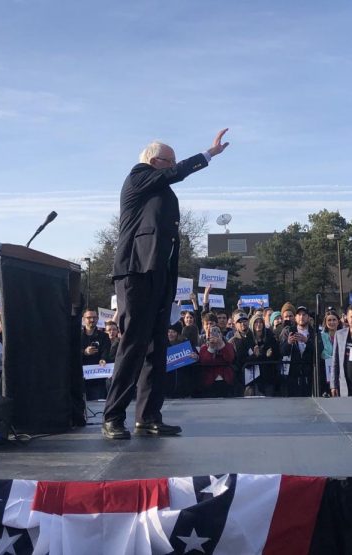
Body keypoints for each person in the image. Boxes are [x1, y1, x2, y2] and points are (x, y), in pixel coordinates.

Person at [103, 129, 230, 440]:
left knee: (156, 347)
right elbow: (174, 174)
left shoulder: (156, 188)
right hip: (136, 271)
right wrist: (207, 155)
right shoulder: (138, 176)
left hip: (159, 273)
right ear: (152, 160)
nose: (173, 165)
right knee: (133, 344)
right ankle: (113, 416)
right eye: (169, 161)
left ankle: (148, 416)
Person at [81, 309, 111, 401]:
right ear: (83, 319)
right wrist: (84, 352)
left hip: (97, 379)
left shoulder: (104, 336)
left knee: (97, 406)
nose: (92, 320)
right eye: (89, 317)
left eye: (94, 317)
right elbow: (71, 352)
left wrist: (103, 359)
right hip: (80, 378)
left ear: (98, 319)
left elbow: (106, 352)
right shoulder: (77, 336)